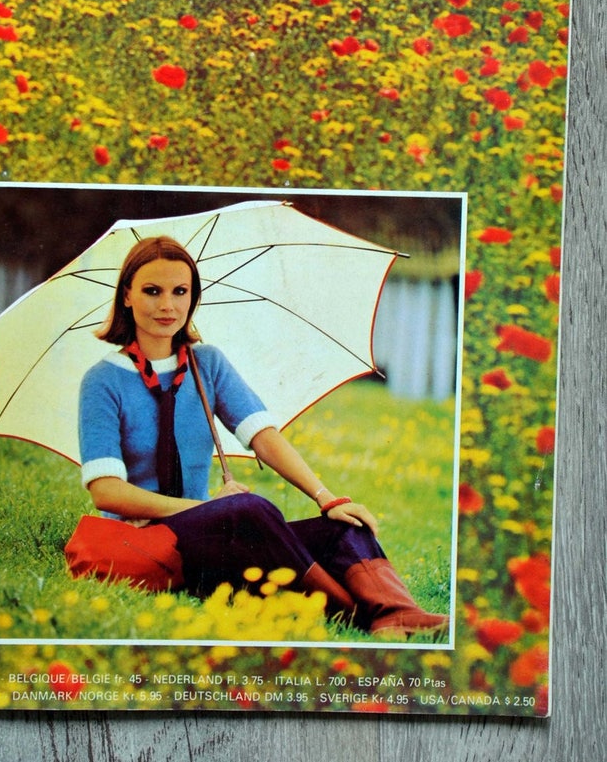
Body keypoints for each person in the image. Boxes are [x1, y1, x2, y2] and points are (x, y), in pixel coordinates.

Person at [78, 235, 448, 638]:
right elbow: (106, 492)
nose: (168, 305)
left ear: (193, 297)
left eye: (180, 291)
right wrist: (205, 508)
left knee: (345, 526)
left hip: (212, 537)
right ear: (127, 296)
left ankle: (398, 613)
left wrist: (326, 498)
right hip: (148, 543)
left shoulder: (207, 364)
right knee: (248, 508)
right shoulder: (103, 381)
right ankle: (353, 616)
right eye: (153, 291)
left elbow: (263, 436)